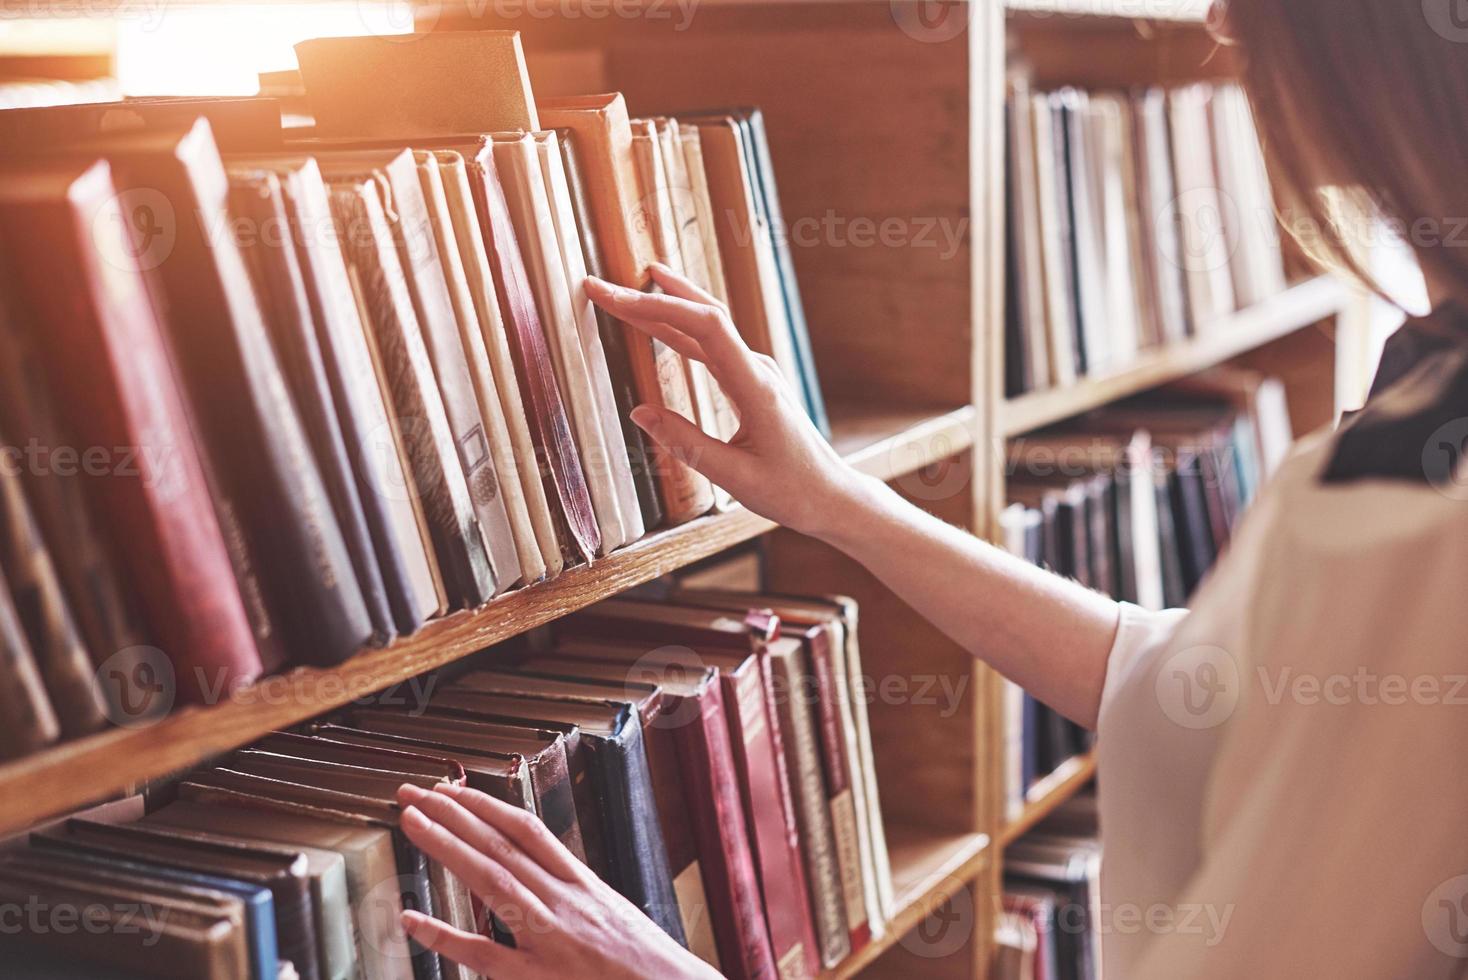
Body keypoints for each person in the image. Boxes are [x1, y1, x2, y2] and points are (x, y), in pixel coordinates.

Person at [393, 0, 1468, 975]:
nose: (1222, 30)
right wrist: (833, 498)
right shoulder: (1418, 433)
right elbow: (1185, 682)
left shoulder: (1419, 510)